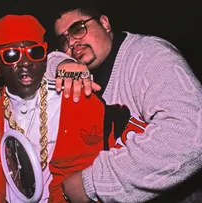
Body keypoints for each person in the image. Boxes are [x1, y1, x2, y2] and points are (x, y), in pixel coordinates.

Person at [0, 14, 148, 203]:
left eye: (35, 52)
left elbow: (141, 148)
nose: (25, 62)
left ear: (44, 60)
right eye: (12, 54)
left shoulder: (80, 99)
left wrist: (93, 184)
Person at [50, 1, 202, 202]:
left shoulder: (150, 55)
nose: (71, 43)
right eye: (63, 40)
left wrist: (91, 184)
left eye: (78, 29)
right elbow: (37, 67)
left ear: (105, 24)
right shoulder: (78, 71)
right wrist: (61, 62)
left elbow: (192, 134)